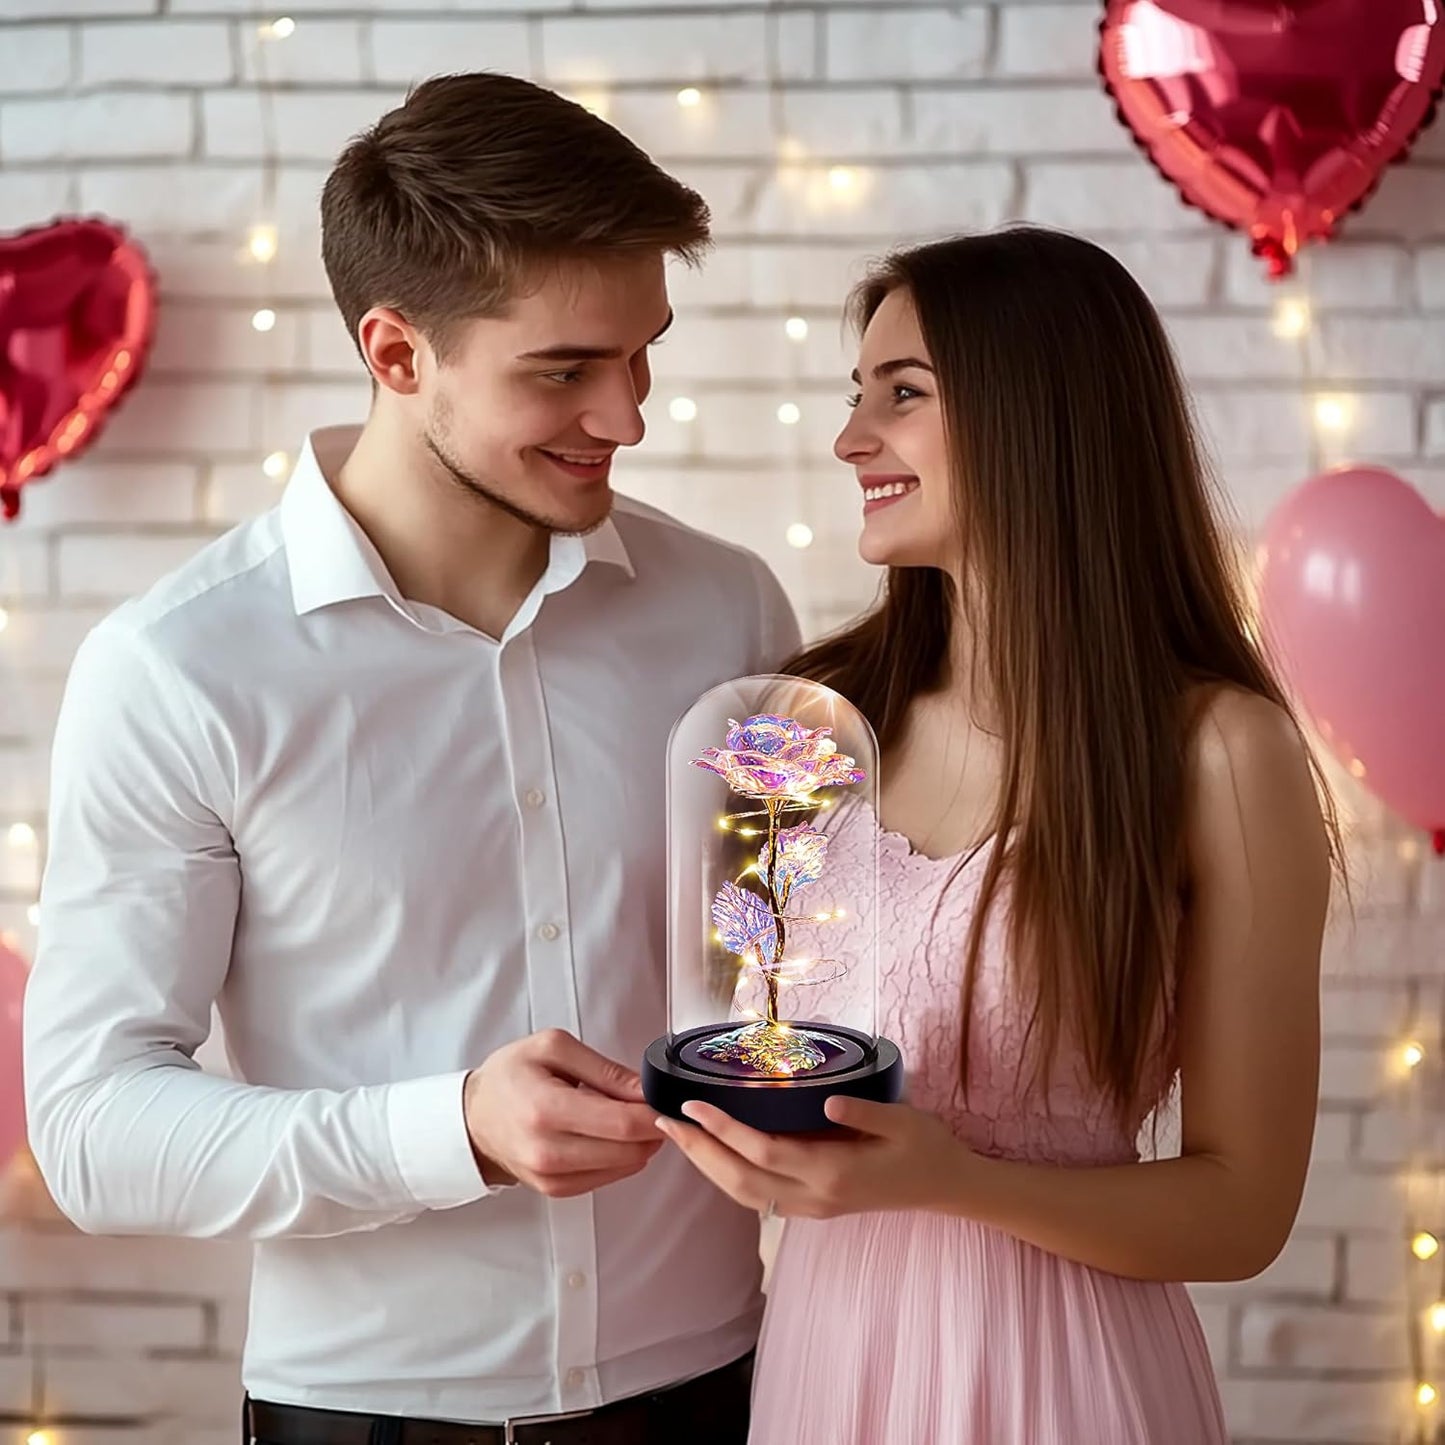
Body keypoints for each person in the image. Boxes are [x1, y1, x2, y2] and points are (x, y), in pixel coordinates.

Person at [23, 72, 800, 1445]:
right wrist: (450, 1131)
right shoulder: (178, 671)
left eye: (643, 353)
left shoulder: (727, 610)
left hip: (724, 1382)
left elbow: (775, 969)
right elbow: (91, 1128)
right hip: (366, 1411)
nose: (625, 416)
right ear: (395, 353)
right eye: (562, 370)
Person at [655, 226, 1335, 1445]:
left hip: (1059, 1377)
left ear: (1042, 416)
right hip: (824, 1359)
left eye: (901, 395)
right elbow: (735, 1019)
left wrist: (950, 1178)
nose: (849, 439)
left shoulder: (1218, 753)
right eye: (853, 398)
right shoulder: (815, 722)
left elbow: (1243, 1209)